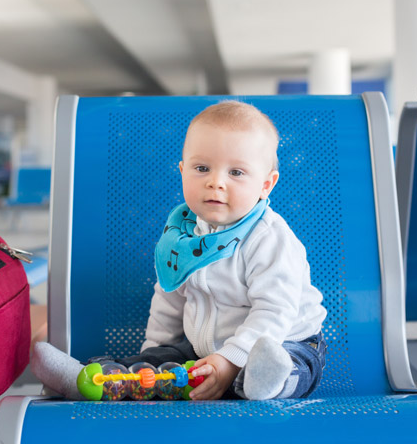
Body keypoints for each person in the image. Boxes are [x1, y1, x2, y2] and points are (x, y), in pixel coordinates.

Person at [32, 100, 327, 401]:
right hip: (204, 349)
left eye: (236, 172)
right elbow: (169, 295)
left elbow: (275, 311)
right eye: (202, 168)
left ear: (266, 185)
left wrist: (231, 360)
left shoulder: (269, 238)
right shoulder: (183, 234)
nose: (216, 182)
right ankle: (91, 381)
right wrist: (154, 353)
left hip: (285, 341)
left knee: (292, 367)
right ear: (183, 171)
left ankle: (270, 384)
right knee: (162, 364)